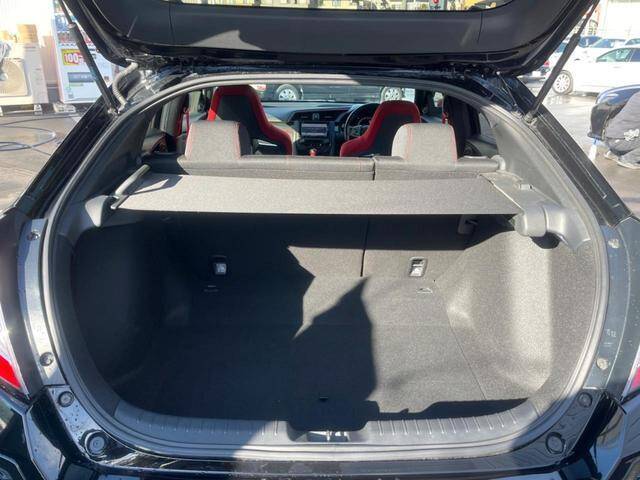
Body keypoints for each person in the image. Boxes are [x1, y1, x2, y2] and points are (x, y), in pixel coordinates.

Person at [604, 91, 640, 169]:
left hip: (610, 139)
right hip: (620, 141)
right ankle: (628, 159)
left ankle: (614, 153)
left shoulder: (637, 95)